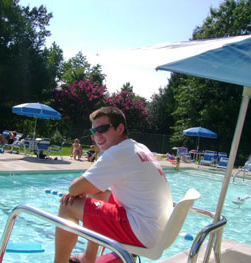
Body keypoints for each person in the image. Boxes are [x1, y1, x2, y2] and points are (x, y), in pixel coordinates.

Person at [54, 106, 172, 263]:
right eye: (93, 131)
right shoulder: (140, 147)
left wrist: (78, 191)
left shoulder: (118, 153)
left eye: (102, 129)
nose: (97, 136)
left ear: (120, 128)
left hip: (142, 233)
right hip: (162, 230)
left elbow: (73, 188)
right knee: (97, 194)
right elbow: (89, 187)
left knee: (67, 206)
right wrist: (84, 189)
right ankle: (89, 257)